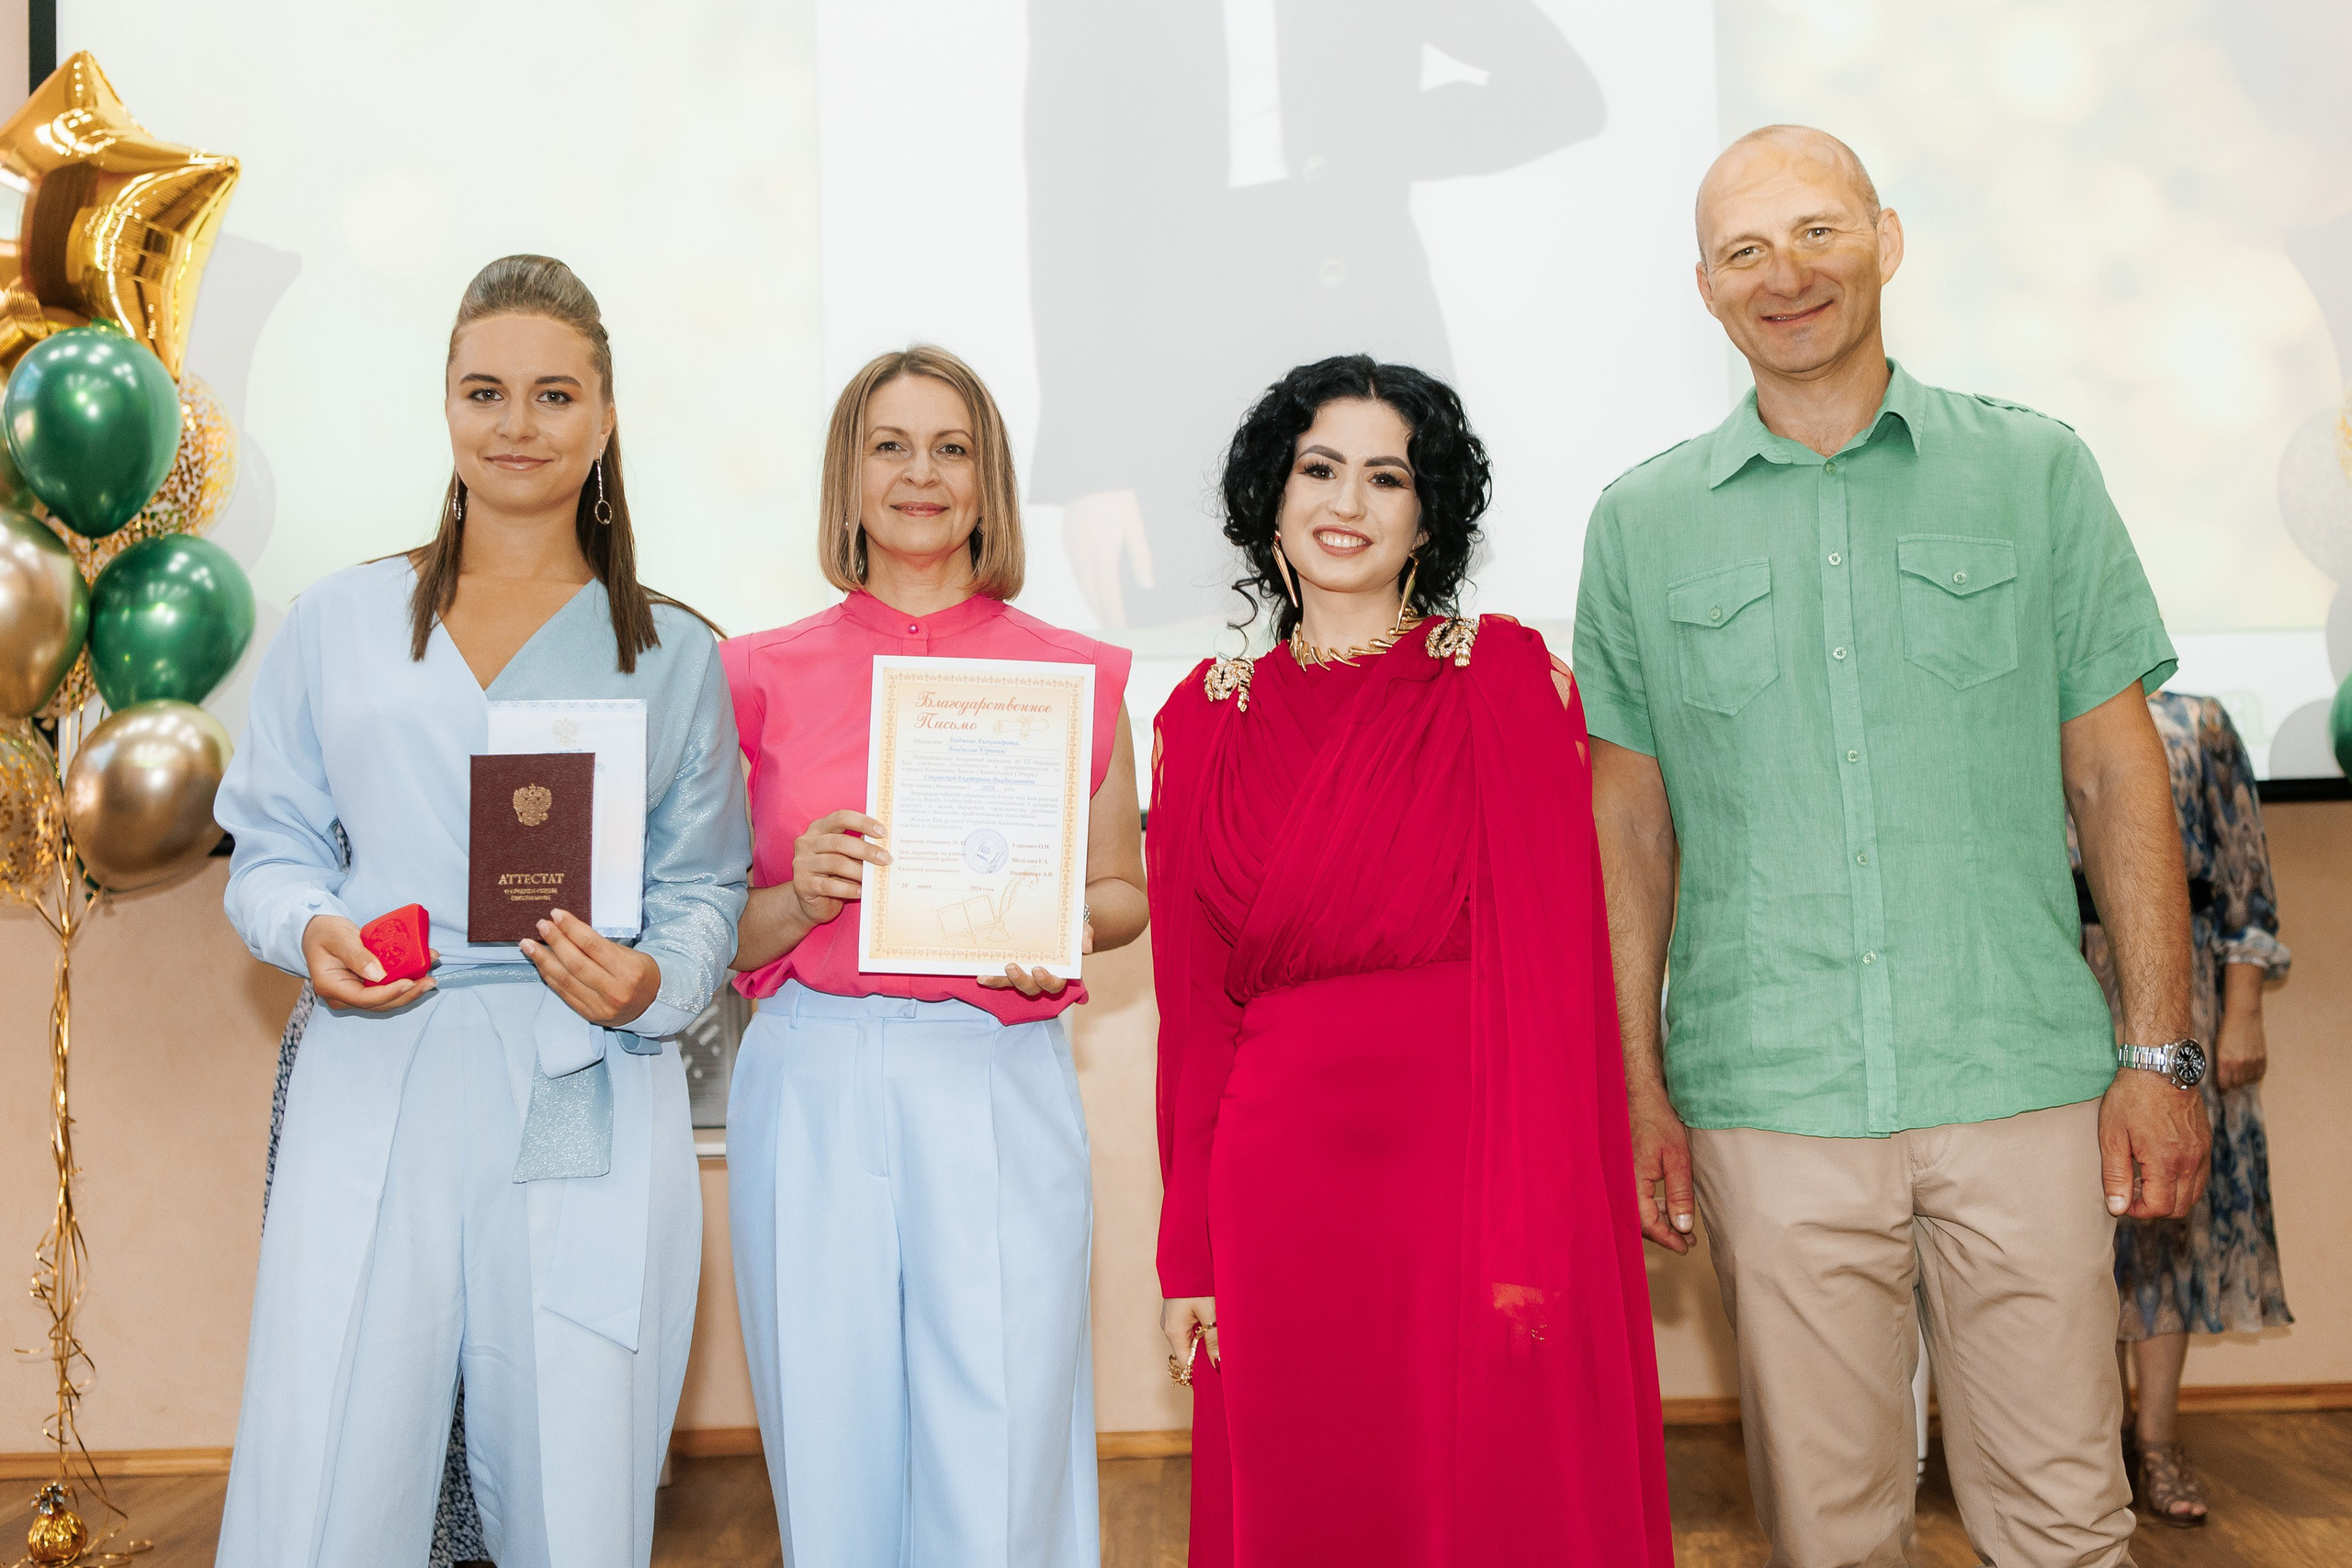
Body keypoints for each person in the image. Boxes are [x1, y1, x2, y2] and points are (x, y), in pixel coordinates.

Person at [1576, 126, 2209, 1568]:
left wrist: (2161, 1053)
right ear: (1704, 288)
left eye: (1817, 230)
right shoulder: (1639, 523)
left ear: (1890, 240)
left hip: (2026, 1077)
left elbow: (2120, 778)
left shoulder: (2036, 471)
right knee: (1834, 1531)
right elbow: (1629, 825)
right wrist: (1635, 1089)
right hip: (1769, 1092)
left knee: (2064, 1519)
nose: (1784, 273)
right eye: (1745, 249)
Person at [212, 254, 751, 1568]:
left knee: (577, 1448)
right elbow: (270, 844)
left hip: (584, 1073)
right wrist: (307, 932)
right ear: (445, 405)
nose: (519, 424)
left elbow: (705, 884)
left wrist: (654, 982)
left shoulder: (673, 653)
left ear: (606, 416)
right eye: (487, 391)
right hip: (379, 1055)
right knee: (337, 1441)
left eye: (556, 393)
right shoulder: (339, 621)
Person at [1152, 355, 1673, 1566]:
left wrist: (1540, 1219)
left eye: (1387, 476)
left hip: (1468, 1172)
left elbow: (1558, 982)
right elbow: (1193, 1016)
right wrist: (1191, 1251)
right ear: (1270, 501)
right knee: (1308, 1493)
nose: (1349, 501)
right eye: (1320, 468)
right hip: (1275, 1183)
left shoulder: (1503, 680)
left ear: (1428, 516)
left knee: (1478, 1496)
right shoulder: (1198, 718)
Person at [720, 345, 1147, 1568]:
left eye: (952, 448)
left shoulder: (1076, 671)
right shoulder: (753, 672)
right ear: (847, 477)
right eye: (890, 445)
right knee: (830, 1426)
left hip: (996, 1066)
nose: (922, 473)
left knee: (1002, 1424)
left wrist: (1052, 931)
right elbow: (717, 930)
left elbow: (1122, 895)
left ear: (989, 482)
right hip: (813, 1076)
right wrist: (797, 895)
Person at [2074, 693, 2294, 1526]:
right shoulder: (2019, 709)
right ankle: (2085, 1451)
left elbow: (2243, 879)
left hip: (2179, 995)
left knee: (2167, 1220)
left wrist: (2243, 1011)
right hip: (2056, 995)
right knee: (2071, 1231)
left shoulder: (2197, 720)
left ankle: (2157, 1440)